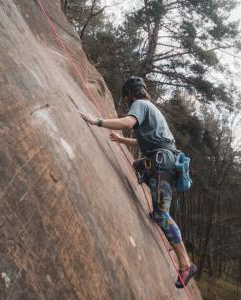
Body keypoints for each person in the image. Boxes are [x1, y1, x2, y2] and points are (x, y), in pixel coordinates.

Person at [79, 76, 197, 288]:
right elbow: (143, 140)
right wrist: (121, 140)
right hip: (164, 161)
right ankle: (157, 202)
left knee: (161, 214)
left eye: (126, 99)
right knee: (138, 165)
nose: (127, 103)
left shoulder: (139, 105)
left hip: (162, 163)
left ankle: (186, 264)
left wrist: (97, 121)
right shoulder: (151, 108)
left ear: (128, 95)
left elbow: (128, 122)